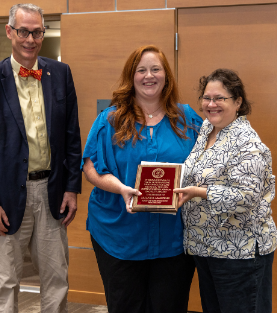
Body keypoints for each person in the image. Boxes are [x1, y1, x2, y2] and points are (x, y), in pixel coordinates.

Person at [0, 3, 82, 313]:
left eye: (37, 32)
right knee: (5, 281)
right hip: (4, 198)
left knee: (56, 278)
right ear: (9, 32)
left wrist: (72, 188)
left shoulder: (60, 73)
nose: (30, 39)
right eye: (24, 31)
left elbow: (72, 137)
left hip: (52, 192)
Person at [82, 45, 202, 313]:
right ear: (131, 76)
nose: (149, 76)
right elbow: (91, 167)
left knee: (169, 306)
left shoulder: (187, 119)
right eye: (142, 70)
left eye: (156, 69)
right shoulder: (110, 119)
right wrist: (121, 188)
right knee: (126, 306)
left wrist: (193, 190)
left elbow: (205, 164)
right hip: (119, 234)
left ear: (166, 75)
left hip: (173, 236)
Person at [174, 68, 276, 313]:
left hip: (239, 253)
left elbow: (245, 198)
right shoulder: (208, 131)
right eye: (207, 98)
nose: (211, 104)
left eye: (220, 98)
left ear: (238, 102)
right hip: (206, 248)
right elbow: (192, 171)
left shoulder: (247, 143)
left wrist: (199, 192)